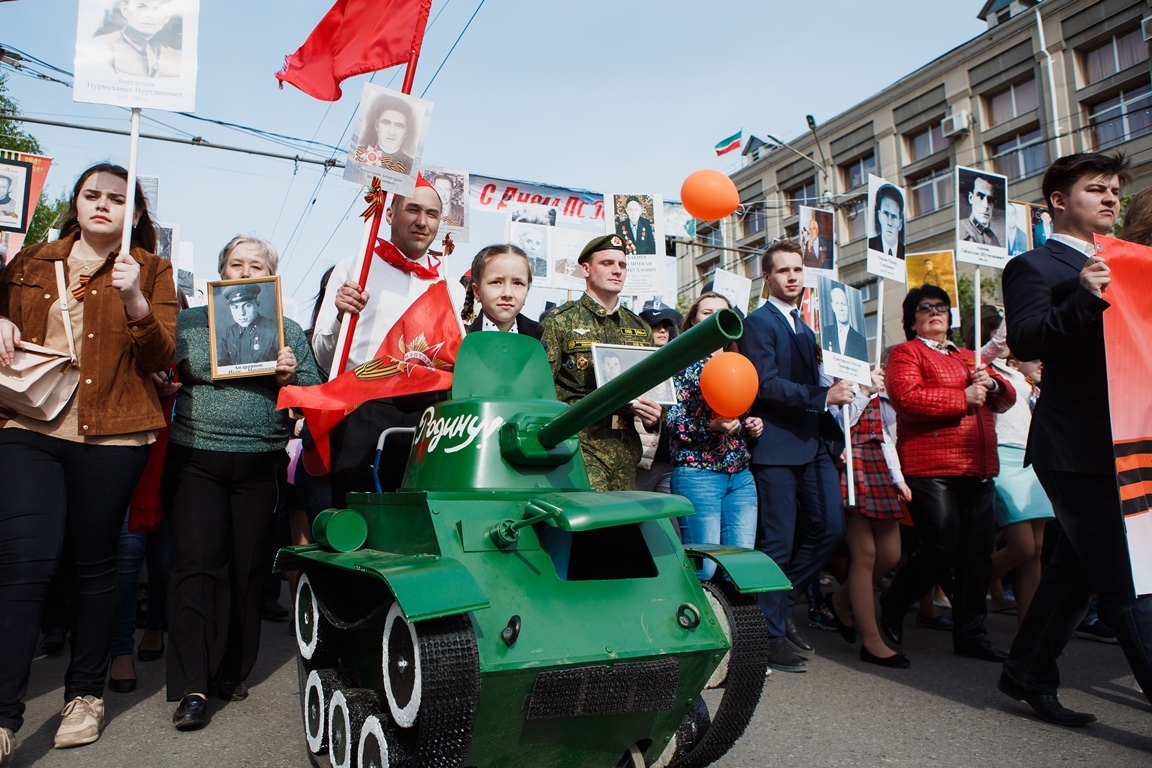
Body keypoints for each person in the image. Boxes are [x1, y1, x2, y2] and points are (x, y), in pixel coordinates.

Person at [0, 163, 177, 756]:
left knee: (95, 564)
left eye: (118, 199)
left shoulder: (152, 269)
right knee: (24, 563)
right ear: (74, 203)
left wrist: (134, 298)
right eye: (92, 194)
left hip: (114, 432)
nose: (103, 204)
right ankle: (3, 715)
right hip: (29, 422)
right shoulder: (30, 261)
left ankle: (84, 694)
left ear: (135, 213)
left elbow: (160, 355)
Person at [1000, 151, 1152, 726]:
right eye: (1096, 189)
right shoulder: (1035, 265)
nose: (1111, 198)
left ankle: (1026, 672)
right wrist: (1084, 295)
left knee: (1078, 570)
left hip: (1128, 436)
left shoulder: (1128, 259)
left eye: (1114, 190)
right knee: (1127, 578)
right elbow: (1027, 339)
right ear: (1059, 201)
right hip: (1075, 446)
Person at [163, 235, 321, 731]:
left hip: (259, 463)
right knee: (196, 564)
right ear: (223, 272)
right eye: (236, 264)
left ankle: (233, 668)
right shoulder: (190, 322)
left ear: (269, 276)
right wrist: (166, 380)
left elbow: (314, 393)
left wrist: (289, 377)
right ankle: (192, 683)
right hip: (197, 456)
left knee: (248, 568)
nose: (245, 272)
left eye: (256, 265)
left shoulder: (286, 329)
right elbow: (160, 370)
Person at [878, 285, 1015, 664]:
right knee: (941, 546)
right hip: (932, 466)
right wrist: (962, 398)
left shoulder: (970, 356)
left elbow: (1005, 399)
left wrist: (993, 384)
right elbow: (906, 399)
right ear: (912, 320)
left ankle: (971, 633)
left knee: (977, 556)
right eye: (925, 307)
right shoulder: (906, 353)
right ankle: (895, 600)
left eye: (941, 306)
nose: (935, 312)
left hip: (978, 466)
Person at [739, 239, 853, 672]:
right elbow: (765, 384)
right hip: (776, 447)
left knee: (830, 527)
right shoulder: (758, 323)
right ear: (767, 276)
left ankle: (782, 604)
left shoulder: (806, 327)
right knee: (778, 541)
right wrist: (822, 396)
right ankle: (768, 637)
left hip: (814, 443)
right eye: (783, 270)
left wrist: (843, 383)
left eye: (798, 269)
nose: (792, 277)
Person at [310, 175, 455, 504]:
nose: (422, 221)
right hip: (361, 410)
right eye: (413, 209)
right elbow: (323, 356)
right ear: (389, 214)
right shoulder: (353, 268)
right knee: (357, 514)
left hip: (427, 416)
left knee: (418, 514)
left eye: (431, 214)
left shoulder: (450, 286)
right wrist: (340, 316)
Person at [541, 233, 660, 491]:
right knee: (590, 515)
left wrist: (654, 418)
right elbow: (542, 389)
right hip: (580, 446)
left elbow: (654, 388)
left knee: (619, 517)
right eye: (607, 263)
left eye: (622, 265)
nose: (617, 270)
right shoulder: (560, 321)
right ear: (586, 269)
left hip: (626, 448)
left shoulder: (639, 327)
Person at [667, 292, 764, 579]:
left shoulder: (738, 363)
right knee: (704, 569)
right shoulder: (678, 364)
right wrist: (712, 426)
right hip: (698, 475)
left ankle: (732, 612)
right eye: (706, 312)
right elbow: (671, 422)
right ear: (693, 321)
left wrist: (752, 425)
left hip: (740, 476)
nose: (714, 318)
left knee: (741, 568)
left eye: (721, 313)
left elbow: (738, 412)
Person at [826, 348, 912, 668]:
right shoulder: (834, 378)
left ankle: (840, 599)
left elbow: (885, 435)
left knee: (891, 553)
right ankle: (872, 642)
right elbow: (841, 426)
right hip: (850, 463)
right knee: (865, 554)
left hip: (877, 465)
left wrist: (898, 477)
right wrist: (863, 391)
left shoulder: (876, 382)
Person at [635, 307, 682, 494]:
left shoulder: (680, 364)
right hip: (644, 459)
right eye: (655, 326)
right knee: (636, 509)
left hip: (671, 459)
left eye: (665, 326)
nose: (662, 330)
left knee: (667, 512)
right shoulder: (634, 365)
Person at [460, 244, 542, 338]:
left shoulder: (539, 340)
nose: (507, 293)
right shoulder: (462, 340)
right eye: (496, 282)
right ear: (477, 291)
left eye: (518, 283)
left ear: (527, 290)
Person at [93, 0, 182, 78]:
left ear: (167, 17)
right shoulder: (103, 45)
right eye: (141, 7)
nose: (150, 15)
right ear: (124, 10)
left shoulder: (174, 57)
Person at [217, 283, 279, 366]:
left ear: (257, 304)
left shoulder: (274, 330)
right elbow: (222, 366)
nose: (241, 313)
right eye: (235, 307)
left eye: (247, 305)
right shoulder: (229, 333)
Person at [354, 93, 414, 174]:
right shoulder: (358, 153)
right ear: (376, 125)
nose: (392, 132)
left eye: (399, 126)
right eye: (386, 123)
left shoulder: (411, 166)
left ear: (406, 132)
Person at [821, 284, 868, 362]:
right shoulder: (826, 333)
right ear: (833, 307)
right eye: (837, 303)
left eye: (843, 304)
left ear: (848, 307)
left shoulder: (861, 342)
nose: (841, 308)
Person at [960, 175, 1002, 246]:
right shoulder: (961, 229)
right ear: (971, 198)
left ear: (994, 206)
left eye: (990, 200)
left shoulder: (994, 239)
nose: (986, 206)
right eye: (981, 197)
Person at [867, 184, 905, 259]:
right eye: (886, 214)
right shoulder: (870, 246)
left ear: (900, 224)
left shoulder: (905, 253)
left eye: (894, 216)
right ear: (879, 216)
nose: (889, 223)